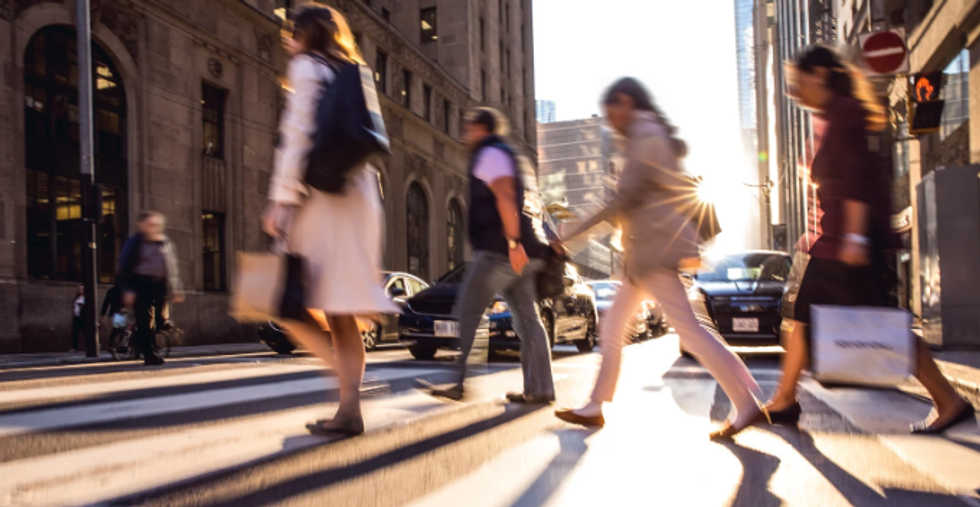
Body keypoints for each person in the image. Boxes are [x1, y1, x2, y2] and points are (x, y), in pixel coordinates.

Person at [768, 45, 974, 434]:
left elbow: (856, 178)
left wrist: (856, 237)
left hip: (847, 243)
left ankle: (948, 401)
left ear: (820, 75)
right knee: (807, 318)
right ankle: (785, 399)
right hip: (834, 240)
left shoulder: (843, 112)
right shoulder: (828, 115)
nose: (794, 90)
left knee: (823, 319)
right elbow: (829, 184)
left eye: (799, 81)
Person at [554, 78, 766, 439]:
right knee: (615, 327)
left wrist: (569, 234)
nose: (610, 122)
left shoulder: (645, 135)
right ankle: (595, 405)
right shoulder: (646, 133)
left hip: (655, 255)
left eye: (611, 113)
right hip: (644, 255)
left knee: (690, 332)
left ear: (625, 102)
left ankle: (747, 401)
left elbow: (623, 201)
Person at [263, 4, 397, 436]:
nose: (288, 39)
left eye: (291, 30)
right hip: (358, 197)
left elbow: (297, 135)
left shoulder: (305, 68)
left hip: (322, 201)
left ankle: (348, 396)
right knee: (337, 310)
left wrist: (280, 200)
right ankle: (349, 408)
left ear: (304, 33)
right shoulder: (349, 69)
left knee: (292, 305)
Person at [429, 107, 555, 403]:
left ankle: (459, 383)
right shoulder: (508, 154)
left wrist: (512, 243)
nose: (465, 132)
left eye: (469, 126)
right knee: (528, 321)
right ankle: (540, 388)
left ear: (482, 128)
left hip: (500, 250)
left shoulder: (490, 152)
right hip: (523, 250)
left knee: (468, 310)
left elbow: (506, 196)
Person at [117, 210, 184, 366]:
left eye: (156, 225)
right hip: (141, 284)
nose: (153, 228)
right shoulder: (135, 242)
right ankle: (150, 355)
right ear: (141, 225)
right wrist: (127, 289)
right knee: (145, 322)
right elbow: (124, 265)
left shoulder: (164, 242)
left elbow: (171, 267)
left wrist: (175, 288)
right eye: (150, 225)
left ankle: (145, 341)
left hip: (160, 285)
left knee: (161, 321)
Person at [100, 284, 124, 352]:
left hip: (114, 313)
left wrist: (103, 313)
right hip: (121, 313)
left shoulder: (111, 290)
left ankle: (112, 345)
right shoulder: (123, 290)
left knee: (117, 329)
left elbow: (106, 302)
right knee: (119, 329)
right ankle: (117, 346)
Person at [70, 285, 85, 353]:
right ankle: (74, 347)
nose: (79, 290)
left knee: (86, 332)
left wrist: (82, 306)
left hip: (83, 317)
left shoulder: (85, 298)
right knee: (75, 332)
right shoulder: (77, 298)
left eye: (81, 289)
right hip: (76, 316)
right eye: (79, 289)